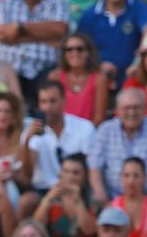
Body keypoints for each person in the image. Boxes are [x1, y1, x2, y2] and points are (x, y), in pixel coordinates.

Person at [87, 86, 147, 206]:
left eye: (136, 107)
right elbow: (94, 166)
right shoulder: (105, 130)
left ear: (145, 109)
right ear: (117, 110)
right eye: (126, 108)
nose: (131, 112)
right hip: (111, 199)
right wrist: (102, 196)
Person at [19, 79, 93, 216]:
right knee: (26, 201)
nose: (47, 107)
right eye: (43, 102)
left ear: (63, 101)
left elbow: (90, 168)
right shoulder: (32, 132)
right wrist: (27, 141)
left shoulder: (84, 128)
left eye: (52, 101)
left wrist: (69, 186)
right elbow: (27, 176)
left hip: (76, 186)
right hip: (44, 189)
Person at [0, 0, 70, 96]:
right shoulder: (6, 3)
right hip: (9, 70)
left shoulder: (58, 3)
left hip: (45, 71)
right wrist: (45, 35)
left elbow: (59, 30)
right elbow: (1, 34)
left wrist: (20, 28)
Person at [77, 0, 147, 82]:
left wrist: (138, 63)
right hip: (97, 76)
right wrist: (97, 65)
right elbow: (80, 47)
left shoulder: (140, 8)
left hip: (132, 75)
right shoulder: (90, 15)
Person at [34, 152, 98, 237]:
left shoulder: (92, 199)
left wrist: (78, 201)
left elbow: (89, 231)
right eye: (66, 171)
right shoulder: (54, 198)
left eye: (75, 173)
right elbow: (35, 226)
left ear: (85, 176)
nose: (70, 177)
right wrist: (47, 199)